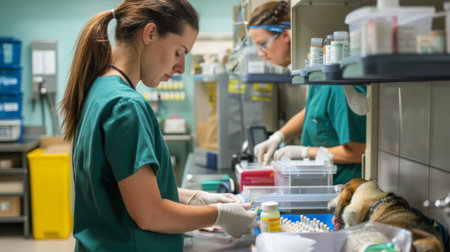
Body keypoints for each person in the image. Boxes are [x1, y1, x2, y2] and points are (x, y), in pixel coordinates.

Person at [59, 1, 256, 251]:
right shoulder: (126, 106)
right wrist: (219, 215)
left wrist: (196, 199)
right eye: (178, 52)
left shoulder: (99, 89)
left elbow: (127, 188)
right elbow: (150, 215)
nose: (181, 68)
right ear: (150, 33)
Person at [248, 1, 366, 185]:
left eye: (263, 44)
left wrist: (305, 152)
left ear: (286, 35)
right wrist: (278, 136)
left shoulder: (338, 84)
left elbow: (359, 150)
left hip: (345, 190)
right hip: (323, 185)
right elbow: (313, 112)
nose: (261, 54)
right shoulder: (315, 75)